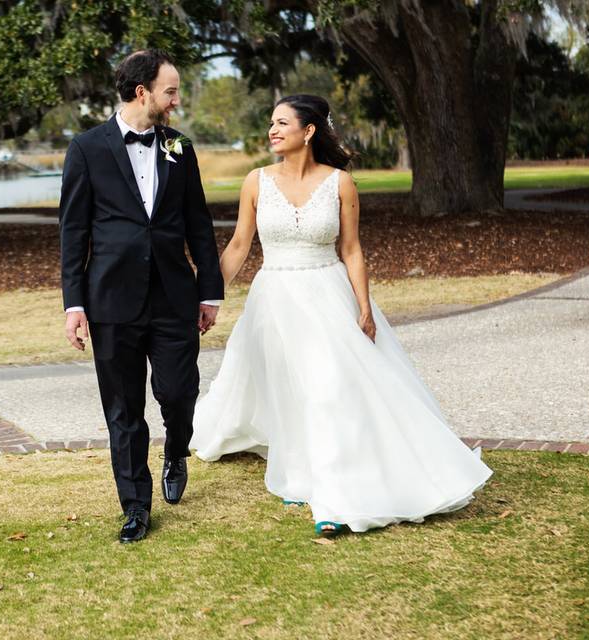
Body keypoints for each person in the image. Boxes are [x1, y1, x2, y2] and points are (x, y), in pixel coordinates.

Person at [190, 94, 492, 537]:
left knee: (329, 386)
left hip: (327, 293)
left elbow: (351, 249)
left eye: (281, 123)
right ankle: (297, 469)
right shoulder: (256, 181)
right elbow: (239, 245)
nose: (272, 131)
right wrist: (208, 296)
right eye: (271, 124)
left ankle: (334, 493)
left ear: (308, 131)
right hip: (273, 296)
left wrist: (364, 305)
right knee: (288, 386)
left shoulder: (339, 184)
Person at [59, 50, 224, 543]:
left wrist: (209, 291)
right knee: (124, 409)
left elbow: (198, 222)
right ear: (142, 92)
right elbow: (73, 232)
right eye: (170, 91)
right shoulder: (86, 148)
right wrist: (74, 305)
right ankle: (135, 507)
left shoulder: (180, 146)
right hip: (110, 300)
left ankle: (177, 449)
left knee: (179, 392)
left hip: (174, 295)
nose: (177, 100)